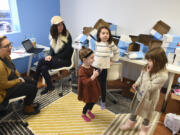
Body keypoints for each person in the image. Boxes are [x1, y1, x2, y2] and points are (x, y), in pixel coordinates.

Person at [120, 47, 168, 135]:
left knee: (147, 114)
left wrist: (147, 73)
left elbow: (149, 87)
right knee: (134, 110)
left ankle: (144, 129)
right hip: (140, 94)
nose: (147, 62)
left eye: (150, 60)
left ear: (159, 62)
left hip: (150, 98)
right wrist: (137, 83)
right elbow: (141, 76)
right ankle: (130, 124)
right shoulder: (147, 67)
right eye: (147, 60)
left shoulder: (163, 75)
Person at [0, 36, 40, 115]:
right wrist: (18, 80)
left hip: (13, 81)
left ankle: (28, 103)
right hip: (5, 91)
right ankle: (27, 109)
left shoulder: (6, 57)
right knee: (32, 89)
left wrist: (19, 77)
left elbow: (13, 69)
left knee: (33, 82)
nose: (10, 47)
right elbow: (4, 85)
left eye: (10, 44)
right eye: (7, 46)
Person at [33, 16, 73, 95]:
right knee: (43, 67)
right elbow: (52, 49)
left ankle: (34, 83)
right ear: (54, 27)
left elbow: (68, 52)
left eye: (61, 24)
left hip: (65, 60)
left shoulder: (67, 35)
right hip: (56, 60)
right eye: (58, 25)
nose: (61, 27)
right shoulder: (53, 36)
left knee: (41, 60)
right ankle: (50, 86)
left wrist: (54, 57)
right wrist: (50, 55)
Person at [92, 26, 119, 110]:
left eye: (107, 33)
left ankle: (103, 101)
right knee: (94, 83)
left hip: (103, 69)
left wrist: (113, 61)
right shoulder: (96, 42)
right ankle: (93, 98)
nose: (105, 35)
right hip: (95, 66)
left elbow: (117, 52)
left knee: (103, 85)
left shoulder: (110, 43)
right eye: (103, 33)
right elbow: (92, 53)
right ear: (99, 35)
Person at [78, 47, 101, 122]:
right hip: (87, 91)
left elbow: (96, 71)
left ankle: (89, 111)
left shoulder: (90, 66)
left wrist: (100, 69)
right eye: (91, 58)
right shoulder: (81, 70)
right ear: (84, 60)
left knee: (94, 101)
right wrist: (93, 76)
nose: (93, 60)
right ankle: (83, 114)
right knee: (88, 103)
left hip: (93, 88)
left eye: (93, 57)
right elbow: (85, 82)